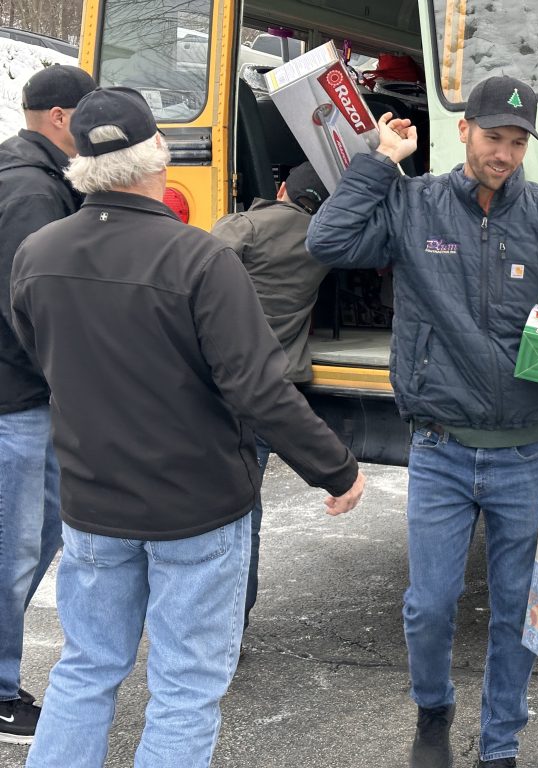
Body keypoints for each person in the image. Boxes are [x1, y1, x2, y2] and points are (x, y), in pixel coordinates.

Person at [306, 75, 538, 768]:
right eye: (494, 137)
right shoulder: (413, 205)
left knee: (516, 609)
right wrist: (378, 162)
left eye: (518, 142)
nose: (504, 153)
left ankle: (500, 744)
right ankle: (433, 710)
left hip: (521, 453)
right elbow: (328, 240)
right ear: (464, 129)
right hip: (438, 447)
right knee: (429, 605)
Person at [9, 86, 365, 768]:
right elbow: (257, 387)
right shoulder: (200, 260)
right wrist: (336, 469)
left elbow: (39, 354)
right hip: (196, 508)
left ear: (80, 162)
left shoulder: (37, 253)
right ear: (159, 153)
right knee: (185, 688)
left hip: (92, 505)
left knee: (86, 669)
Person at [0, 63, 96, 746]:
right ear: (61, 117)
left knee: (36, 537)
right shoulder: (31, 190)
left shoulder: (33, 175)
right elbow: (27, 305)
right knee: (13, 551)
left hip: (30, 396)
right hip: (18, 398)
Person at [211, 161, 332, 630]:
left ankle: (211, 629)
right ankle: (233, 626)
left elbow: (194, 273)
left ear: (282, 188)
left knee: (206, 515)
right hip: (273, 391)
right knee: (247, 512)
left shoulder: (244, 226)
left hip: (220, 390)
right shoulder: (323, 242)